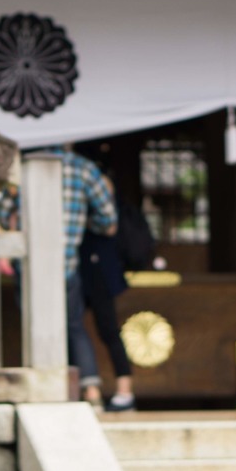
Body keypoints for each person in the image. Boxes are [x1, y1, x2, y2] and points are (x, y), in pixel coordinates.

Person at [46, 144, 118, 408]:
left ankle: (49, 392)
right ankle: (92, 394)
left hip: (30, 267)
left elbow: (4, 213)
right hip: (67, 264)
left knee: (35, 327)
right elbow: (108, 218)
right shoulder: (85, 169)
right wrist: (88, 222)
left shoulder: (21, 165)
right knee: (74, 327)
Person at [79, 173, 137, 412]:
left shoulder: (104, 214)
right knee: (75, 329)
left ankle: (125, 391)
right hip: (82, 270)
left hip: (99, 272)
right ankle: (90, 390)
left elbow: (110, 228)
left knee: (109, 330)